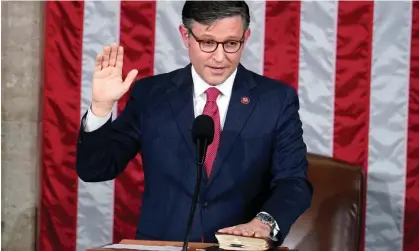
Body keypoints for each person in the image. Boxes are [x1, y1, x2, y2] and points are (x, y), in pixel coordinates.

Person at [76, 0, 312, 245]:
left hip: (240, 247)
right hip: (164, 246)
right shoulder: (150, 95)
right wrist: (101, 108)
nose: (220, 57)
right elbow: (96, 170)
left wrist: (263, 223)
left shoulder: (275, 100)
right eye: (208, 42)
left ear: (246, 37)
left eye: (231, 43)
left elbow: (293, 182)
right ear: (185, 36)